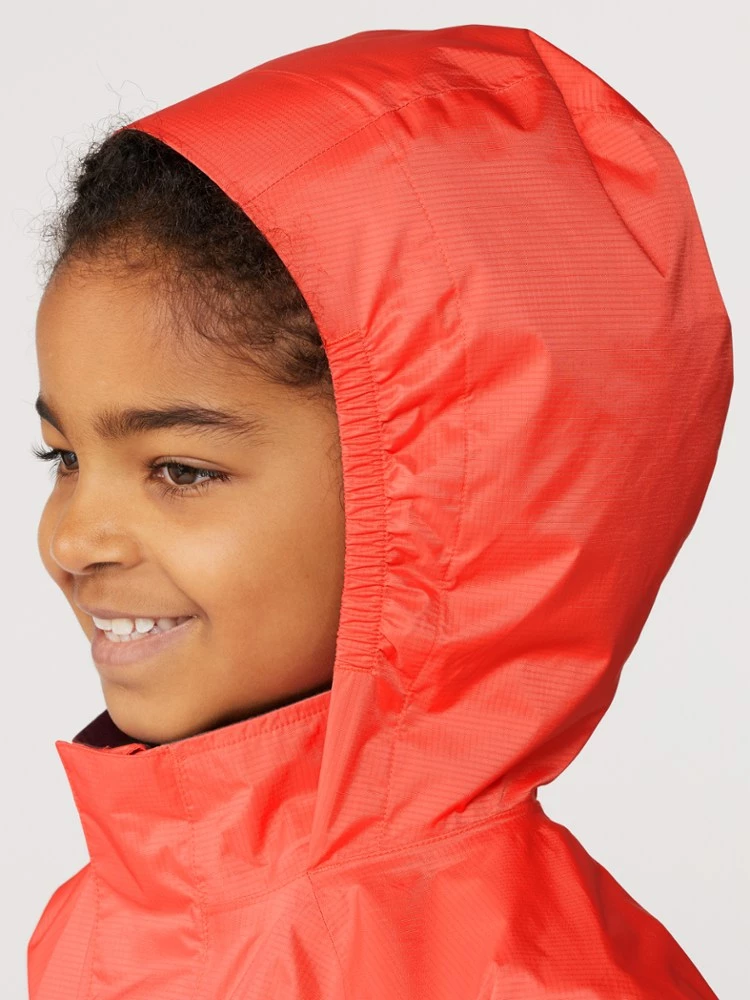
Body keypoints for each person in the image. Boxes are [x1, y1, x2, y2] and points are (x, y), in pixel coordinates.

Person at [26, 23, 732, 1000]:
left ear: (441, 493)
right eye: (63, 456)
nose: (71, 540)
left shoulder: (524, 982)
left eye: (180, 470)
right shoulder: (103, 920)